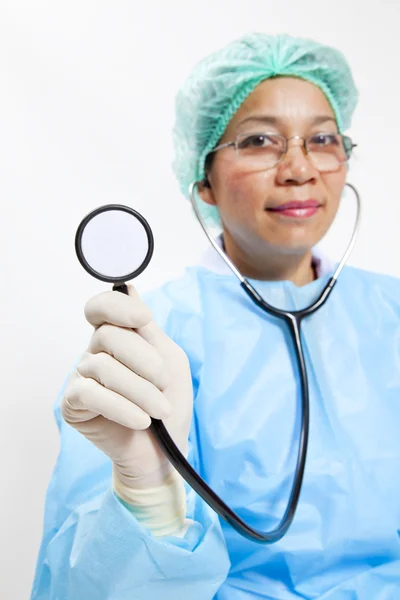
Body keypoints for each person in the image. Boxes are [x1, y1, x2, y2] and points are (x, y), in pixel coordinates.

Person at [31, 33, 400, 600]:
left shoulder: (392, 314)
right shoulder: (145, 343)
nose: (300, 168)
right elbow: (82, 588)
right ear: (202, 178)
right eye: (259, 141)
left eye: (322, 138)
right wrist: (148, 499)